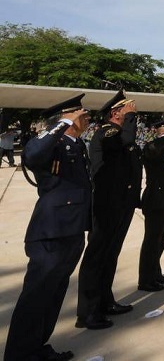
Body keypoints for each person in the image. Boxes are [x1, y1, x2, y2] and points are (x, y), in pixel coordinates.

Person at [4, 95, 90, 361]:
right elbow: (31, 155)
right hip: (51, 232)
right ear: (69, 118)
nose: (87, 117)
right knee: (36, 297)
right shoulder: (52, 142)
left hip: (72, 230)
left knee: (53, 295)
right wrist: (63, 122)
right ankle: (19, 355)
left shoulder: (75, 143)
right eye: (81, 114)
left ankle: (37, 347)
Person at [77, 90, 142, 330]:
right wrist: (131, 119)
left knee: (110, 255)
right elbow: (126, 141)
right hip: (106, 205)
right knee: (97, 257)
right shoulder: (108, 132)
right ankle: (87, 312)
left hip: (120, 203)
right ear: (115, 113)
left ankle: (105, 302)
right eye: (127, 109)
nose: (133, 111)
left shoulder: (118, 133)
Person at [137, 114, 164, 292]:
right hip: (156, 201)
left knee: (161, 240)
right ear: (160, 131)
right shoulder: (153, 146)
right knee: (151, 241)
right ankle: (145, 280)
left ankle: (155, 273)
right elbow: (152, 150)